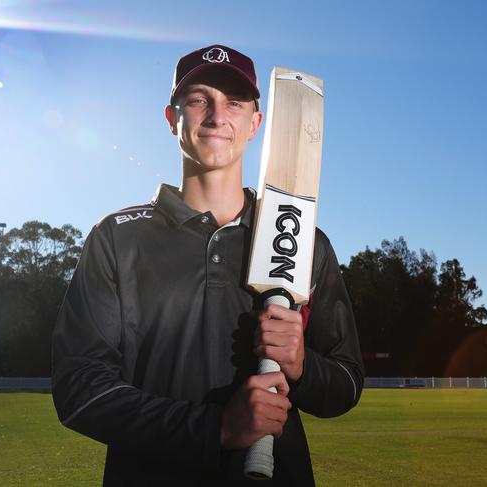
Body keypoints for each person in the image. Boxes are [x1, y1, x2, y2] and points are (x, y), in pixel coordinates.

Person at [52, 44, 364, 486]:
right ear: (171, 117)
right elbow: (80, 390)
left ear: (256, 123)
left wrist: (301, 366)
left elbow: (346, 384)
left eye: (234, 103)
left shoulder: (305, 243)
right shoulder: (117, 238)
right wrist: (216, 428)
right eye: (199, 99)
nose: (218, 116)